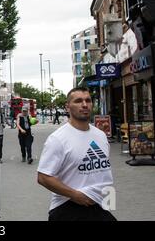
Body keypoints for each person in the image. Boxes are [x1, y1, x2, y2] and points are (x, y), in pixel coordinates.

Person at [37, 87, 116, 221]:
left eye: (88, 100)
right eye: (78, 101)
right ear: (67, 107)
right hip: (68, 206)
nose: (84, 105)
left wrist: (109, 202)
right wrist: (75, 195)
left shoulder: (101, 136)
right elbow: (43, 177)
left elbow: (102, 172)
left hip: (99, 205)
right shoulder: (58, 139)